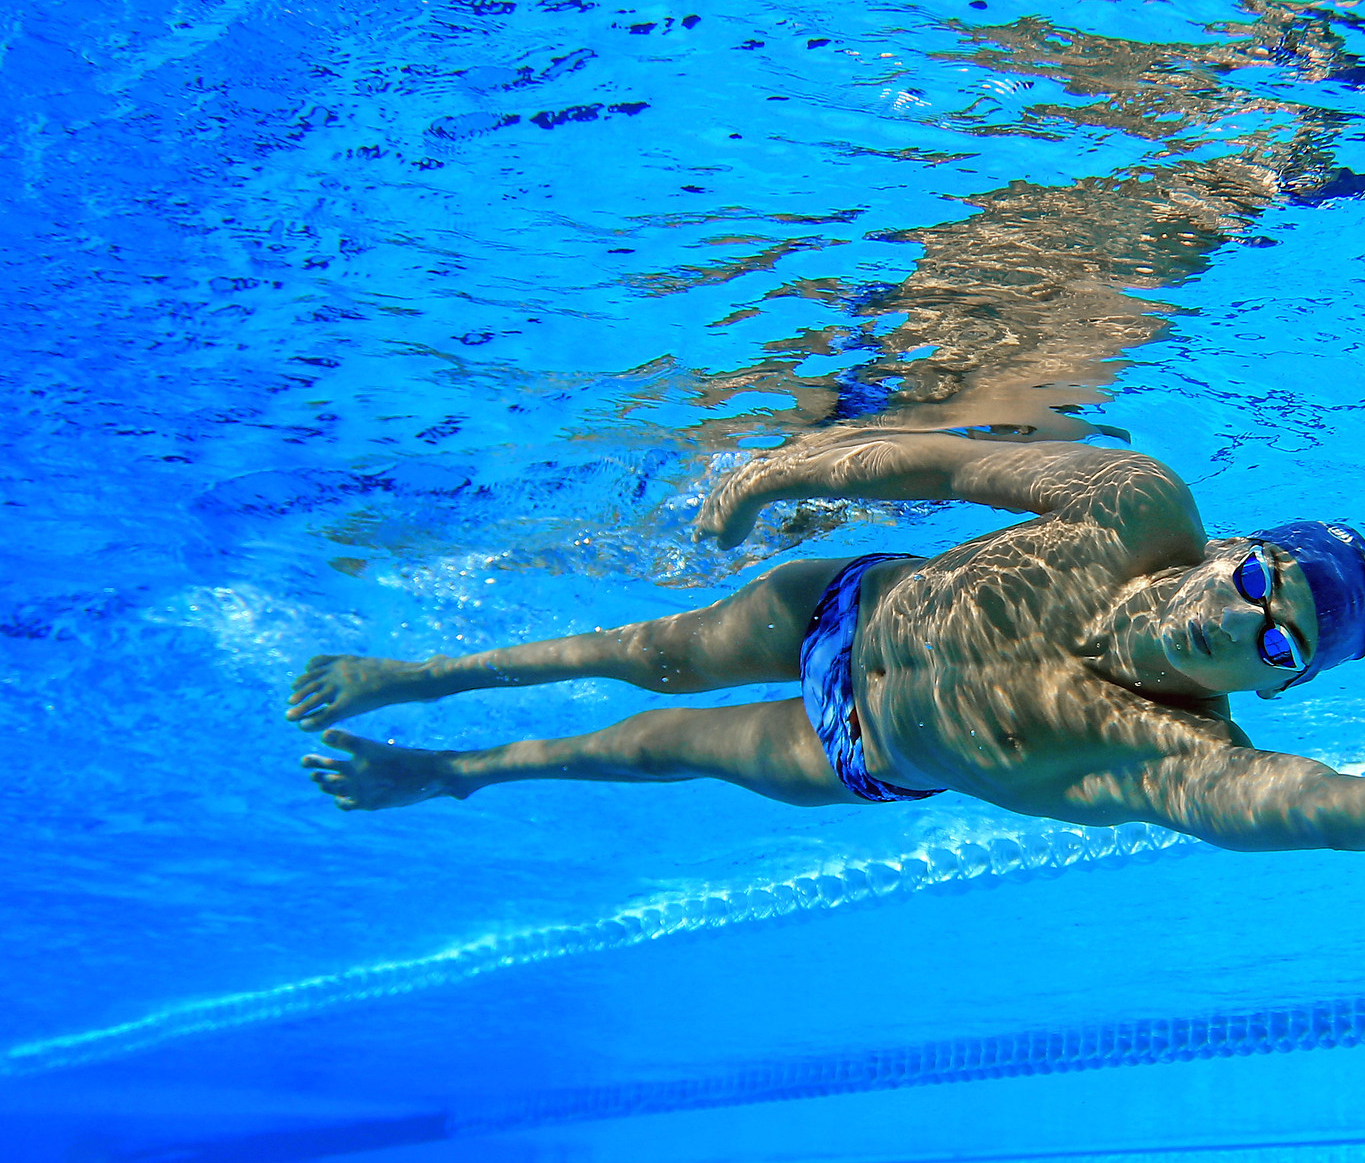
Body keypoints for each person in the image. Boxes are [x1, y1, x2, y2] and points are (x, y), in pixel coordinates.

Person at [288, 430, 1365, 851]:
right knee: (634, 650)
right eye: (1261, 583)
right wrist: (780, 472)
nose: (1238, 621)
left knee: (657, 745)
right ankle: (422, 677)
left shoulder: (1177, 755)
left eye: (1278, 648)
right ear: (1233, 547)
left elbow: (1314, 810)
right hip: (843, 608)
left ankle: (459, 771)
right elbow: (945, 465)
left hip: (861, 747)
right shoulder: (1132, 503)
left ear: (1274, 692)